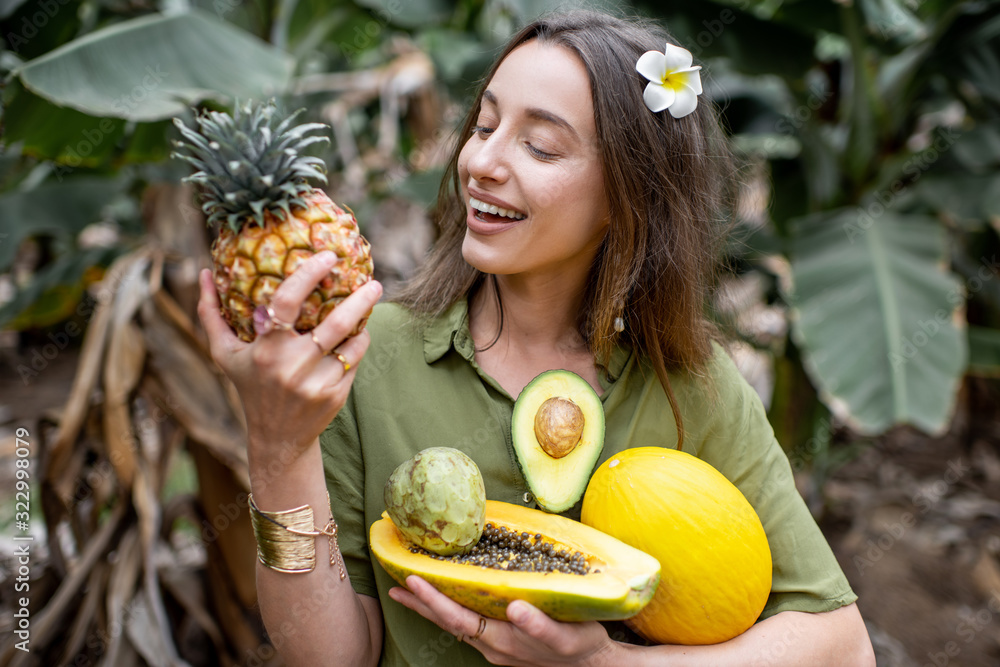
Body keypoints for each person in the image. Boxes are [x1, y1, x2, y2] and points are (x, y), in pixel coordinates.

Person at [197, 9, 876, 667]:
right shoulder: (361, 353)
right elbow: (331, 657)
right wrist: (279, 448)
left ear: (625, 197)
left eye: (539, 145)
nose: (482, 161)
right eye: (485, 123)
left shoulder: (693, 385)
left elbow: (841, 646)